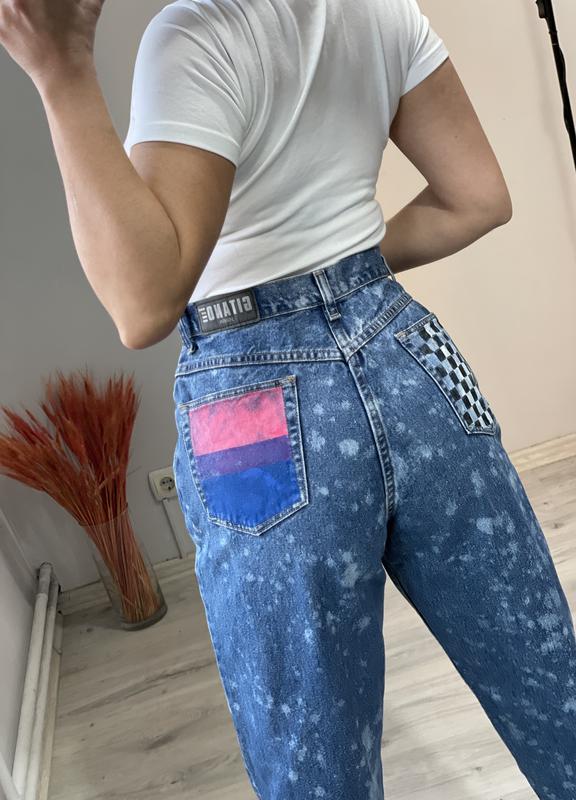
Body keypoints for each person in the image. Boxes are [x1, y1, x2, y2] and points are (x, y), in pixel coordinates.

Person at [5, 0, 574, 797]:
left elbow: (142, 303)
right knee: (551, 688)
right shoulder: (384, 10)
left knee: (316, 765)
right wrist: (341, 278)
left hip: (252, 400)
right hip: (410, 356)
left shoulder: (193, 34)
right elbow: (477, 197)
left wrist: (60, 69)